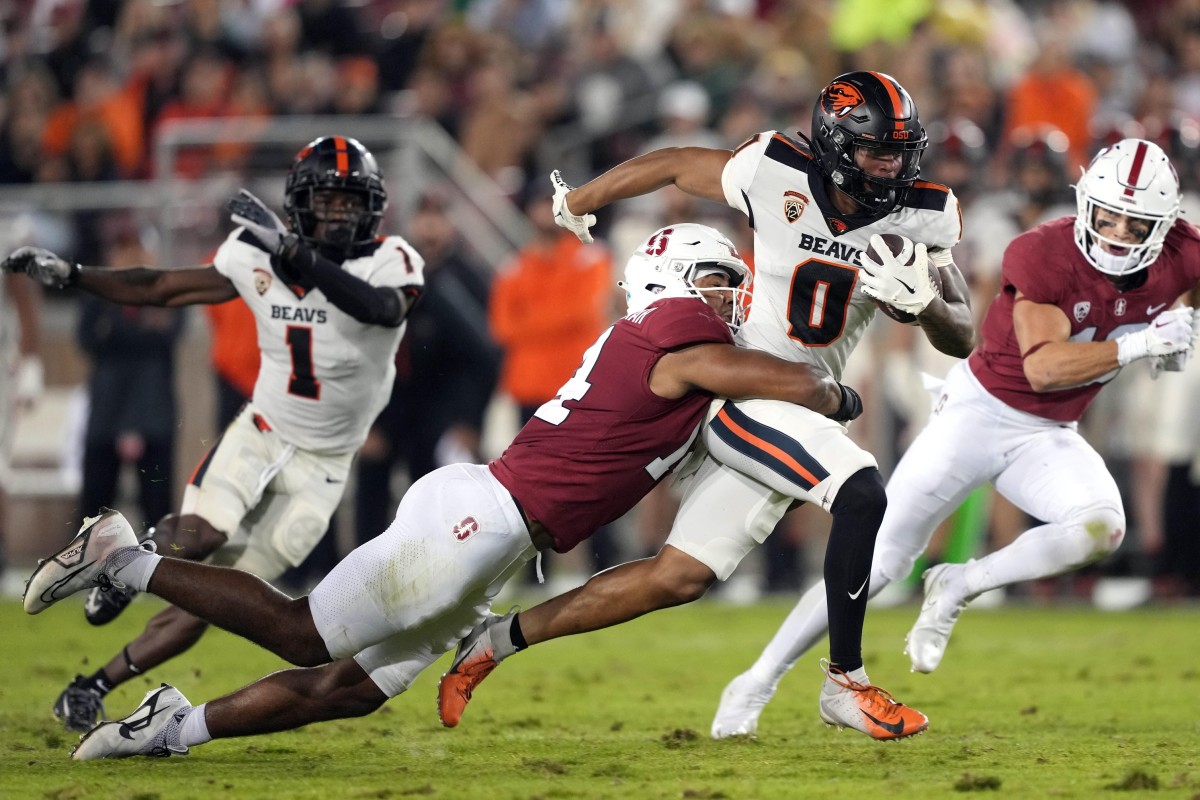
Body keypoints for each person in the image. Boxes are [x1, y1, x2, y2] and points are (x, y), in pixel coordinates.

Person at [22, 223, 864, 760]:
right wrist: (829, 393)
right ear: (679, 280)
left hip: (496, 537)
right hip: (478, 523)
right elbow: (739, 371)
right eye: (720, 279)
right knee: (303, 634)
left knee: (348, 691)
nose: (733, 294)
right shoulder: (672, 331)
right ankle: (123, 559)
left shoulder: (658, 341)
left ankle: (171, 727)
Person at [436, 71, 977, 741]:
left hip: (803, 407)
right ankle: (847, 682)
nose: (891, 166)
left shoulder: (924, 211)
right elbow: (672, 165)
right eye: (876, 152)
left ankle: (496, 641)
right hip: (746, 388)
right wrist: (580, 199)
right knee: (863, 491)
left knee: (677, 576)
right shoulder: (776, 169)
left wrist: (924, 306)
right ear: (837, 145)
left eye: (901, 151)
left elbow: (963, 332)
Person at [709, 137, 1200, 738]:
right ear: (1085, 202)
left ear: (1167, 225)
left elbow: (1186, 285)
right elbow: (1043, 368)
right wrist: (1143, 343)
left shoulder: (1186, 253)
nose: (1120, 233)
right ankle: (754, 683)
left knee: (1102, 526)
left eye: (1137, 221)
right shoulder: (1041, 252)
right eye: (1109, 215)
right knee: (883, 560)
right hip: (977, 413)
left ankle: (959, 583)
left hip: (1049, 432)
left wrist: (1184, 323)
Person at [2, 135, 425, 732]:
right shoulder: (258, 253)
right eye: (325, 200)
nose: (337, 212)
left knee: (224, 597)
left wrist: (296, 254)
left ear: (372, 207)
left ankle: (92, 682)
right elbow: (160, 287)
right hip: (263, 429)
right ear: (300, 202)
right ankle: (125, 556)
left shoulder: (393, 258)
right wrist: (73, 275)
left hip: (326, 462)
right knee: (199, 536)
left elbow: (381, 310)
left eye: (349, 201)